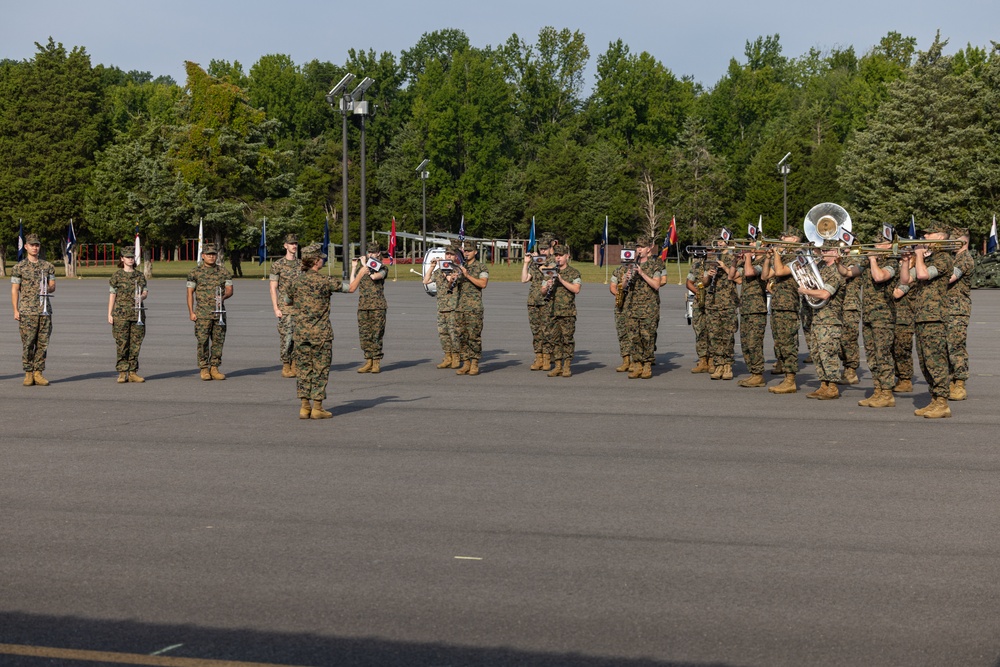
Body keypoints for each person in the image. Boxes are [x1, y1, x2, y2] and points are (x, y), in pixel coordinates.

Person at [286, 244, 350, 419]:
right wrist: (359, 272)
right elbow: (349, 288)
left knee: (303, 369)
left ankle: (304, 407)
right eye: (321, 258)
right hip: (320, 333)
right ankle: (317, 408)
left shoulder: (295, 281)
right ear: (315, 261)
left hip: (300, 333)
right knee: (320, 370)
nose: (323, 260)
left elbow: (287, 300)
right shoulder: (325, 281)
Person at [900, 221, 955, 418]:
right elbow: (906, 280)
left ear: (940, 237)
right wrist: (907, 261)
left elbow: (923, 274)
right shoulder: (928, 258)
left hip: (935, 317)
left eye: (928, 234)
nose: (924, 237)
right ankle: (934, 399)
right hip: (922, 316)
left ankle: (942, 403)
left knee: (936, 361)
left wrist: (918, 255)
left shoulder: (944, 259)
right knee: (924, 362)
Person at [797, 240, 845, 399]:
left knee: (828, 353)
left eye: (826, 250)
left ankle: (832, 387)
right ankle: (823, 384)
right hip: (817, 317)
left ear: (835, 252)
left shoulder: (837, 271)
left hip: (830, 319)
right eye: (822, 249)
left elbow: (825, 294)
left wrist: (806, 291)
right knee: (817, 353)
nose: (822, 252)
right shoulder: (820, 267)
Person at [857, 235, 898, 408]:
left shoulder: (892, 261)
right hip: (868, 314)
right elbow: (848, 273)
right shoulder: (869, 262)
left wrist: (872, 259)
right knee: (871, 355)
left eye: (880, 243)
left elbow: (879, 277)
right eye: (875, 243)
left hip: (883, 316)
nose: (876, 246)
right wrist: (838, 263)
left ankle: (887, 393)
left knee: (883, 355)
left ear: (889, 246)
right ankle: (877, 390)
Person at [10, 233, 56, 386]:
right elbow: (15, 290)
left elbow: (52, 286)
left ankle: (38, 372)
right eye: (32, 245)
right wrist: (16, 310)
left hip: (44, 311)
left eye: (37, 245)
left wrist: (47, 288)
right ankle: (28, 373)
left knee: (43, 343)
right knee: (28, 343)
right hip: (27, 310)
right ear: (26, 247)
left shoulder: (47, 266)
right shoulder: (19, 267)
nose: (35, 247)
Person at [763, 233, 805, 394]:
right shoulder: (785, 257)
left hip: (789, 305)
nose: (781, 239)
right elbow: (765, 275)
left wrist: (777, 254)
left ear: (794, 239)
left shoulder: (798, 257)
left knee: (788, 344)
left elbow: (780, 272)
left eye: (786, 237)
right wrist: (768, 258)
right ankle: (786, 377)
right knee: (780, 343)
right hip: (777, 305)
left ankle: (790, 380)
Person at [186, 243, 234, 380]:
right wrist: (191, 312)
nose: (211, 257)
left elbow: (230, 290)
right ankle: (204, 368)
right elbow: (189, 293)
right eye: (208, 254)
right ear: (203, 256)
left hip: (219, 312)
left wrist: (223, 297)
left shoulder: (224, 272)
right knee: (202, 341)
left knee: (219, 341)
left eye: (213, 254)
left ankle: (214, 367)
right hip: (202, 313)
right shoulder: (195, 273)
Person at [625, 235, 664, 379]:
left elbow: (656, 285)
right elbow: (623, 287)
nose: (639, 249)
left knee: (647, 337)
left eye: (642, 247)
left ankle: (647, 365)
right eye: (637, 247)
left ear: (649, 248)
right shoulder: (631, 263)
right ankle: (637, 364)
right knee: (634, 337)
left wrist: (642, 273)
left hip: (649, 307)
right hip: (633, 306)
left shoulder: (655, 264)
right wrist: (626, 278)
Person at [107, 247, 148, 383]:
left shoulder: (140, 276)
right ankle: (122, 372)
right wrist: (109, 313)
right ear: (122, 259)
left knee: (136, 344)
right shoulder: (117, 276)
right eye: (127, 257)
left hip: (137, 314)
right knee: (122, 343)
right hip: (120, 314)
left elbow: (145, 292)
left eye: (132, 257)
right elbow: (112, 295)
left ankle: (132, 372)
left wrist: (141, 297)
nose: (130, 259)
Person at [541, 244, 582, 377]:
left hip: (567, 312)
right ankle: (558, 365)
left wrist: (561, 280)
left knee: (567, 339)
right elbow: (542, 292)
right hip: (552, 311)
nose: (558, 258)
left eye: (561, 256)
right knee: (555, 339)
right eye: (556, 256)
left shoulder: (574, 272)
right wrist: (547, 286)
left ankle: (567, 366)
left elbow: (576, 289)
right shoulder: (550, 271)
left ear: (567, 257)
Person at [349, 241, 388, 373]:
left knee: (376, 334)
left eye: (373, 252)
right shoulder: (362, 268)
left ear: (378, 253)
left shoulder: (382, 267)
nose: (370, 254)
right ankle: (368, 361)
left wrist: (365, 265)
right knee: (364, 335)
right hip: (363, 306)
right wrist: (354, 268)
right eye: (369, 252)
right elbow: (352, 284)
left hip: (377, 306)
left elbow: (375, 277)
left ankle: (376, 361)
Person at [704, 238, 738, 381]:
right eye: (717, 241)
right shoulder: (712, 258)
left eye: (722, 241)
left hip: (728, 302)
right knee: (714, 335)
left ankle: (728, 365)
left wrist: (724, 267)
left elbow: (737, 278)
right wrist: (709, 275)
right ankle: (718, 364)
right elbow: (704, 282)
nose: (719, 243)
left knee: (728, 336)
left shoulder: (734, 257)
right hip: (713, 303)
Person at [946, 227, 974, 400]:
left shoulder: (965, 259)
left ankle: (960, 382)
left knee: (956, 346)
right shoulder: (953, 257)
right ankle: (950, 381)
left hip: (958, 310)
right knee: (945, 346)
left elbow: (950, 278)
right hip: (946, 308)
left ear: (963, 242)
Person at [454, 241, 489, 376]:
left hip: (474, 308)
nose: (467, 253)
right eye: (465, 251)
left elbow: (483, 284)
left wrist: (467, 275)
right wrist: (453, 278)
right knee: (462, 336)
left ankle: (474, 363)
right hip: (460, 307)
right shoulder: (460, 267)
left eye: (469, 251)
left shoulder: (481, 267)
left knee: (474, 336)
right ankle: (466, 362)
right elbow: (453, 285)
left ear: (475, 252)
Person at [521, 233, 555, 370]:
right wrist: (526, 263)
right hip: (533, 300)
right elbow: (524, 279)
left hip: (546, 301)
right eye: (541, 249)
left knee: (547, 330)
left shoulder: (552, 261)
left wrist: (538, 262)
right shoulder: (535, 263)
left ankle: (547, 357)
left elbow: (549, 273)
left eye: (545, 249)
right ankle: (538, 357)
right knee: (536, 331)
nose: (543, 251)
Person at [424, 246, 461, 369]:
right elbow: (426, 281)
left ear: (455, 256)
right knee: (443, 333)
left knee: (453, 333)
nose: (448, 256)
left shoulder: (456, 269)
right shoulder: (438, 271)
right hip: (441, 307)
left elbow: (451, 280)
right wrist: (432, 266)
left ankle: (456, 356)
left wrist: (444, 268)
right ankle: (447, 356)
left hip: (452, 307)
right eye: (447, 254)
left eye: (451, 254)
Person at [269, 234, 300, 378]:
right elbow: (273, 287)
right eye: (291, 243)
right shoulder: (278, 265)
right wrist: (276, 307)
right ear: (285, 246)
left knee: (298, 337)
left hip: (300, 308)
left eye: (295, 243)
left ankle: (295, 363)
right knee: (286, 337)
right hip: (285, 307)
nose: (294, 246)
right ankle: (286, 364)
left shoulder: (302, 265)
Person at [736, 247, 767, 387]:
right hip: (745, 308)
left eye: (755, 247)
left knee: (754, 343)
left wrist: (747, 257)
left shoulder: (764, 263)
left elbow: (749, 273)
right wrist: (733, 262)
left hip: (756, 309)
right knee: (745, 343)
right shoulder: (750, 262)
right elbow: (733, 276)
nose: (752, 249)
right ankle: (753, 372)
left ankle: (758, 374)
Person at [837, 244, 864, 385]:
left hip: (850, 305)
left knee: (848, 339)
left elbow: (846, 273)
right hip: (835, 304)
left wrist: (837, 262)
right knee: (837, 339)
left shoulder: (857, 261)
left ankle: (851, 369)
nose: (842, 247)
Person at [610, 242, 637, 372]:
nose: (627, 256)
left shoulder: (638, 269)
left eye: (630, 252)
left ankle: (634, 361)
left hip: (634, 306)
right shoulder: (618, 271)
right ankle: (625, 360)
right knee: (622, 333)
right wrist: (619, 293)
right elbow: (612, 287)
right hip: (621, 307)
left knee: (634, 334)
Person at [685, 244, 710, 373]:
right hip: (699, 303)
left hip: (713, 303)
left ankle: (713, 360)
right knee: (699, 330)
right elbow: (688, 282)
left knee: (713, 331)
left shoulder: (715, 265)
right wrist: (698, 293)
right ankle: (702, 360)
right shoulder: (696, 266)